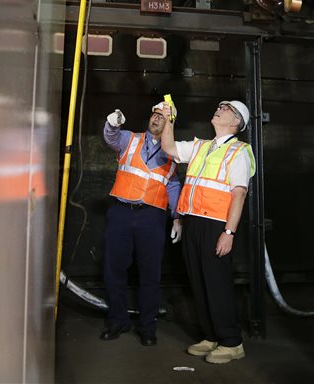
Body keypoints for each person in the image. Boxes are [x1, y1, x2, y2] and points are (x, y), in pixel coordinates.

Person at [161, 100, 256, 364]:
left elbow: (239, 195)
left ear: (236, 122)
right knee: (199, 282)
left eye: (226, 108)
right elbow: (168, 148)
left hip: (217, 225)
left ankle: (232, 342)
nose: (219, 108)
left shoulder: (239, 151)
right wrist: (169, 119)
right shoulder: (201, 146)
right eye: (220, 105)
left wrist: (229, 232)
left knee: (216, 283)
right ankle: (211, 335)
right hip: (192, 222)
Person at [100, 102, 181, 346]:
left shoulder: (173, 153)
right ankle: (117, 321)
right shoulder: (130, 139)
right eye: (154, 114)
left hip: (152, 218)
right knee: (114, 271)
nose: (156, 118)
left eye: (162, 117)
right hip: (121, 213)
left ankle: (147, 327)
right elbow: (111, 137)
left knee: (150, 275)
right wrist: (112, 123)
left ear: (170, 124)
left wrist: (177, 217)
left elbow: (173, 185)